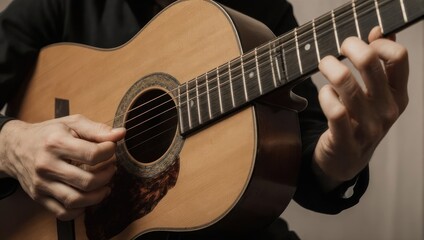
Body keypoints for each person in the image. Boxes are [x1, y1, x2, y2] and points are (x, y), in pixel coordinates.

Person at [0, 0, 409, 239]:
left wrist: (335, 163)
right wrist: (11, 144)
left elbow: (304, 155)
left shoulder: (261, 11)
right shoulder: (57, 4)